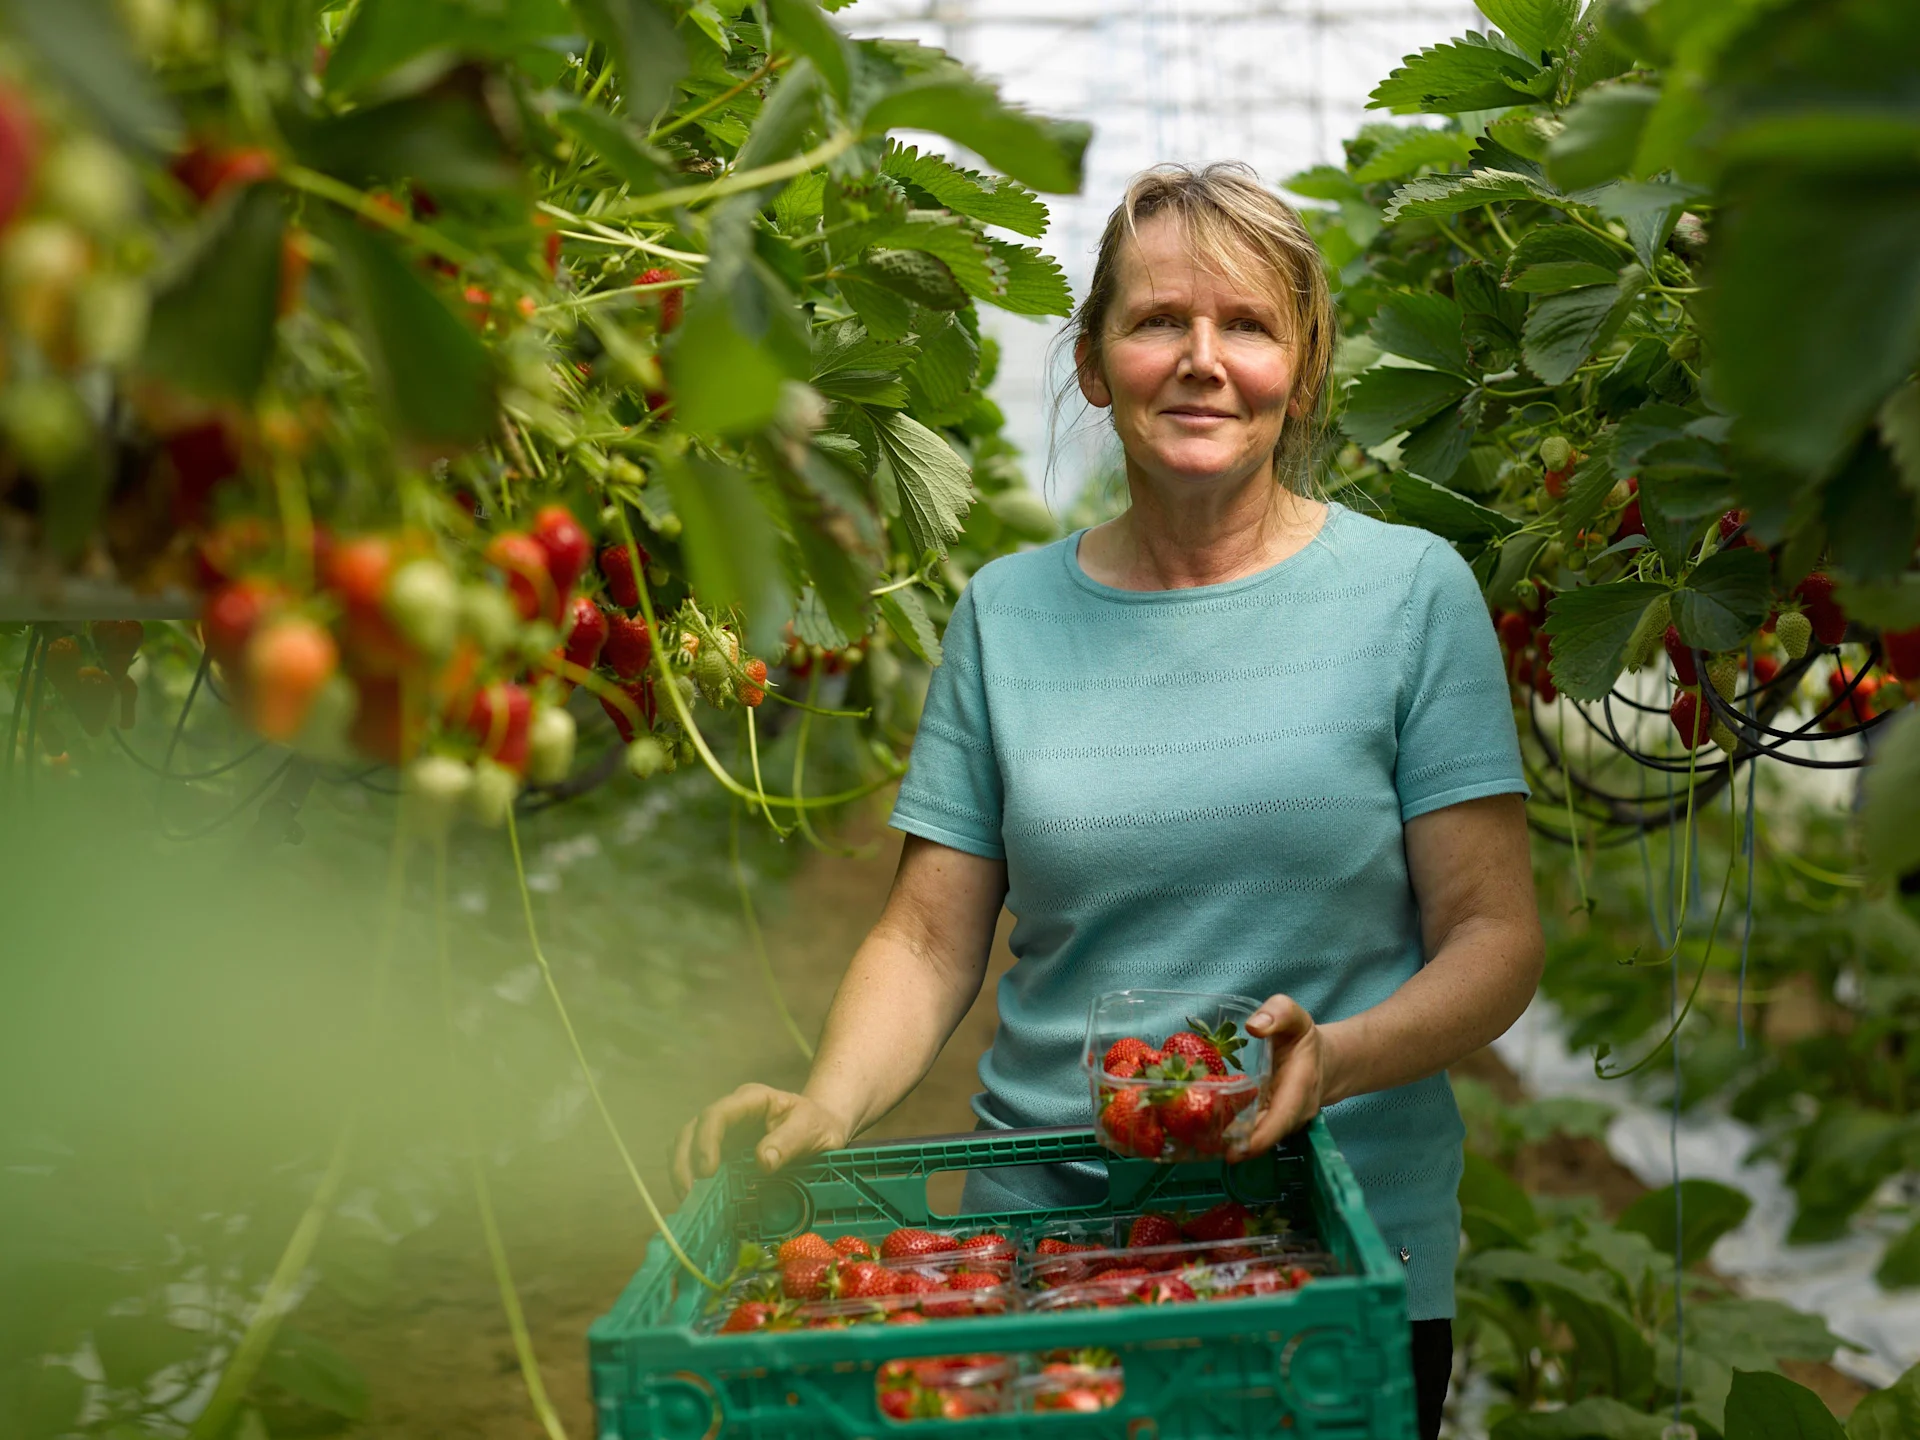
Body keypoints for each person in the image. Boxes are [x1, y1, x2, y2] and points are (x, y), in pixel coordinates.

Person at [673, 162, 1543, 1440]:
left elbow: (1496, 938)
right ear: (1092, 364)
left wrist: (1336, 1058)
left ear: (1300, 375)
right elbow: (925, 936)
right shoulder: (1005, 614)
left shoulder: (1412, 595)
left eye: (1246, 327)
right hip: (1049, 1249)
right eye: (1156, 323)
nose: (1201, 360)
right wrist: (830, 1102)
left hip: (1333, 1242)